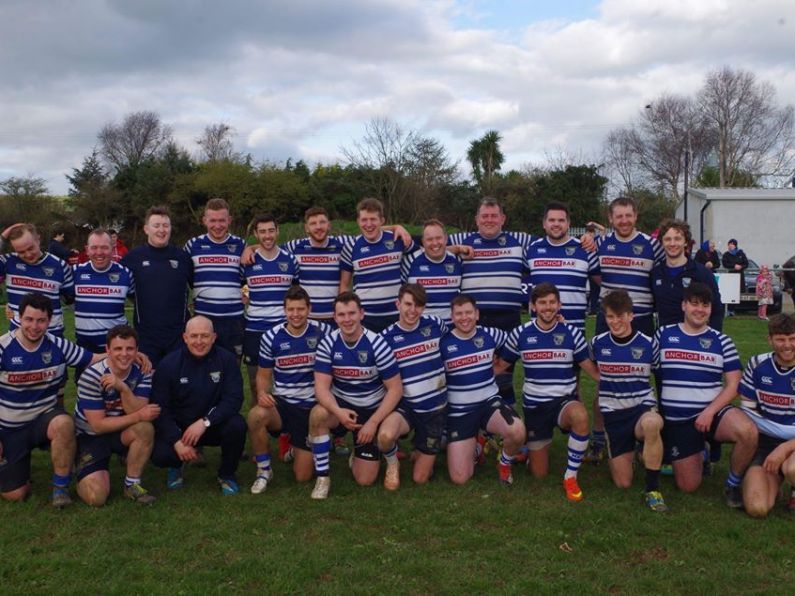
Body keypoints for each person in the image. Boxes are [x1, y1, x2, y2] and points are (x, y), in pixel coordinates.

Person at [653, 282, 758, 507]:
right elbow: (641, 360)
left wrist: (710, 411)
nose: (700, 309)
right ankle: (703, 451)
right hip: (679, 420)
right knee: (688, 486)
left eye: (705, 305)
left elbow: (733, 384)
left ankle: (733, 483)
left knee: (748, 432)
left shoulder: (722, 341)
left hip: (713, 414)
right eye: (694, 304)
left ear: (711, 309)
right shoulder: (663, 334)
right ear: (684, 305)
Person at [496, 283, 599, 501]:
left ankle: (570, 477)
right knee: (539, 474)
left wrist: (617, 380)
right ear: (533, 306)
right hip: (535, 407)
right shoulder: (520, 333)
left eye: (552, 302)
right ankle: (523, 454)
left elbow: (591, 369)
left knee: (580, 415)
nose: (548, 307)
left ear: (559, 305)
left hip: (563, 402)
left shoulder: (571, 332)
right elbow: (501, 366)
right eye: (542, 303)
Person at [0, 293, 97, 507]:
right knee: (15, 495)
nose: (34, 326)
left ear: (49, 321)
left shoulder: (58, 345)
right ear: (19, 318)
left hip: (43, 422)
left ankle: (60, 489)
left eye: (41, 320)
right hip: (9, 429)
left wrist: (133, 355)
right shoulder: (3, 347)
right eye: (29, 319)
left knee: (64, 423)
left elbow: (93, 359)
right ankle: (15, 466)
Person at [587, 196, 663, 462]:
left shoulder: (652, 245)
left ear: (636, 216)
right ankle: (598, 437)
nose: (624, 220)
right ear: (610, 218)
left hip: (641, 319)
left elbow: (661, 274)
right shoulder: (601, 244)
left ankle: (646, 434)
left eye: (628, 215)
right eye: (618, 216)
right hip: (607, 319)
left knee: (647, 377)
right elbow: (596, 275)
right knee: (605, 379)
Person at [308, 292, 403, 499]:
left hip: (371, 410)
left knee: (365, 480)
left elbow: (396, 389)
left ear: (362, 313)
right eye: (341, 315)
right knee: (317, 414)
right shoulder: (328, 343)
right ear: (335, 317)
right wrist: (338, 412)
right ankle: (323, 478)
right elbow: (321, 388)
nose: (347, 319)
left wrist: (373, 422)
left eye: (352, 313)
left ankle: (387, 456)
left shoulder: (377, 344)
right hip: (342, 408)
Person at [447, 198, 533, 404]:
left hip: (508, 319)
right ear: (476, 219)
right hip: (474, 321)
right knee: (474, 373)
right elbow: (428, 247)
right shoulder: (462, 239)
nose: (489, 220)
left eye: (494, 216)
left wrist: (589, 238)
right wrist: (456, 249)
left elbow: (552, 241)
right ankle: (476, 423)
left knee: (504, 376)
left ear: (503, 219)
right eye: (484, 216)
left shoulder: (520, 240)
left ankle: (506, 425)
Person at [247, 286, 331, 493]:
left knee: (302, 477)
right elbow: (263, 374)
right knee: (256, 415)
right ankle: (264, 471)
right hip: (283, 405)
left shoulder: (324, 332)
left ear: (309, 309)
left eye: (300, 309)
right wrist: (262, 394)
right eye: (291, 309)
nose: (296, 314)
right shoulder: (271, 336)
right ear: (284, 310)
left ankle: (299, 446)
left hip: (310, 408)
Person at [590, 290, 668, 512]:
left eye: (620, 316)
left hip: (640, 409)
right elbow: (583, 362)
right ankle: (636, 452)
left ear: (631, 315)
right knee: (623, 483)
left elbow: (660, 376)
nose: (615, 322)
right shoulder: (596, 344)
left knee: (652, 424)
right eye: (610, 317)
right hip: (614, 415)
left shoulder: (647, 344)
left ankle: (652, 490)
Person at [150, 316, 246, 495]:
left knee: (237, 425)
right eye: (194, 336)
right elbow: (160, 407)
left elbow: (234, 399)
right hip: (181, 429)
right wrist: (176, 440)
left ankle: (226, 474)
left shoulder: (226, 360)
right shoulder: (169, 364)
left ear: (214, 337)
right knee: (160, 455)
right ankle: (175, 466)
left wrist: (206, 422)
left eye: (205, 336)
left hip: (211, 426)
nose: (199, 341)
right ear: (185, 337)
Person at [440, 294, 526, 486]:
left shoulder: (491, 334)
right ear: (452, 317)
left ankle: (504, 463)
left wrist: (500, 365)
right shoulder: (443, 343)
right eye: (459, 314)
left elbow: (520, 341)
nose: (464, 318)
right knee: (460, 478)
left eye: (469, 312)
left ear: (477, 314)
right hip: (459, 411)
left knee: (518, 431)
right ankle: (478, 447)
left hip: (489, 403)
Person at [74, 325, 160, 506]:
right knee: (96, 498)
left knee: (145, 429)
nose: (124, 354)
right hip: (90, 436)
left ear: (137, 350)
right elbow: (98, 426)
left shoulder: (143, 370)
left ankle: (132, 485)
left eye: (130, 348)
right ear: (107, 350)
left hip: (119, 431)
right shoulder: (92, 375)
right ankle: (80, 470)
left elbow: (138, 408)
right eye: (118, 349)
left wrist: (123, 388)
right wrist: (138, 416)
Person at [377, 284, 449, 489]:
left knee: (420, 478)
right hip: (406, 406)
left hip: (434, 408)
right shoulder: (386, 338)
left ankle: (424, 447)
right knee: (385, 437)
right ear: (398, 304)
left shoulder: (436, 324)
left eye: (418, 305)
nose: (412, 310)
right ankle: (392, 462)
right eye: (408, 304)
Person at [121, 206, 193, 366]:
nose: (162, 230)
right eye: (156, 225)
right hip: (146, 338)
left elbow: (199, 287)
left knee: (178, 385)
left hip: (178, 337)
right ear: (146, 229)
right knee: (148, 386)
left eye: (166, 225)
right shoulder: (132, 258)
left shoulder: (183, 257)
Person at [740, 314, 795, 517]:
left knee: (793, 468)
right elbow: (747, 409)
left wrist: (785, 448)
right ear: (770, 340)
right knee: (757, 508)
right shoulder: (757, 364)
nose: (787, 345)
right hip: (765, 444)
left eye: (792, 338)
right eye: (780, 339)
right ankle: (775, 481)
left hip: (792, 443)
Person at [242, 214, 300, 395]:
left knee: (284, 379)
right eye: (262, 232)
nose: (267, 236)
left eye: (271, 231)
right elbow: (238, 286)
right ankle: (257, 420)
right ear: (256, 234)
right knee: (255, 383)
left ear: (277, 231)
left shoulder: (290, 260)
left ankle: (283, 418)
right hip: (255, 329)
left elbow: (296, 293)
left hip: (283, 328)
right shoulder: (247, 261)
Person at [340, 198, 415, 333]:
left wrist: (456, 248)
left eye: (373, 219)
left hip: (396, 316)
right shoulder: (351, 246)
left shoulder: (397, 239)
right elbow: (344, 285)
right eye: (364, 220)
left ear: (382, 220)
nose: (368, 224)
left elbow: (428, 250)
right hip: (365, 319)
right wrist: (346, 314)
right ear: (358, 221)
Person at [184, 198, 246, 358]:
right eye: (212, 220)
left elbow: (251, 278)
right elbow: (186, 277)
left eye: (222, 221)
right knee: (202, 367)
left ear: (229, 220)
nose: (217, 226)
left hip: (234, 319)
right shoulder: (192, 245)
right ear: (204, 220)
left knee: (232, 366)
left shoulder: (241, 245)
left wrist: (247, 294)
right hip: (204, 319)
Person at [524, 202, 600, 332]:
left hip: (575, 330)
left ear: (568, 223)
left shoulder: (585, 249)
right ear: (544, 223)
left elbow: (604, 283)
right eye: (551, 220)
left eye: (561, 220)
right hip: (539, 330)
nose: (556, 224)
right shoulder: (531, 250)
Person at [0, 223, 75, 336]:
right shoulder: (9, 261)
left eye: (31, 248)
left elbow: (71, 299)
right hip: (18, 336)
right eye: (21, 252)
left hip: (51, 335)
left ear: (38, 239)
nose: (28, 254)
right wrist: (2, 237)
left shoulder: (60, 266)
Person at [651, 219, 723, 332]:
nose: (672, 243)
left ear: (685, 242)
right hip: (664, 343)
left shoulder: (702, 273)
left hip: (694, 342)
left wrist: (712, 340)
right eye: (667, 239)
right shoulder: (655, 273)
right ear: (661, 242)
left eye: (677, 239)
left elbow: (717, 309)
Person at [73, 229, 135, 353]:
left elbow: (137, 303)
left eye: (104, 248)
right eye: (94, 247)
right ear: (87, 249)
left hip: (117, 349)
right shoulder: (75, 272)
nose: (99, 253)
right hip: (86, 350)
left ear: (112, 248)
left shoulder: (125, 273)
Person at [401, 219, 463, 324]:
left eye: (438, 238)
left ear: (446, 239)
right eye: (429, 239)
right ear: (423, 242)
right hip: (421, 330)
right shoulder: (410, 261)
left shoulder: (457, 261)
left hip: (451, 329)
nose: (435, 243)